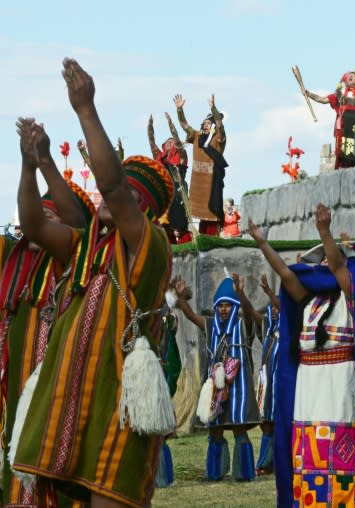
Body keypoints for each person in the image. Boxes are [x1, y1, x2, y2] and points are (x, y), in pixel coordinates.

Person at [12, 58, 175, 508]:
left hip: (115, 404)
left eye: (130, 197)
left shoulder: (151, 243)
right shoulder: (87, 247)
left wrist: (85, 109)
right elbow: (32, 224)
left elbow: (114, 184)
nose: (110, 198)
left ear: (145, 207)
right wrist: (34, 165)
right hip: (70, 405)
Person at [249, 203, 355, 508]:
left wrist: (324, 231)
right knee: (307, 445)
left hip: (339, 380)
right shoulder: (309, 299)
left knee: (338, 442)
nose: (320, 265)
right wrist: (262, 242)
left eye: (325, 258)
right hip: (309, 382)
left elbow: (337, 268)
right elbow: (285, 272)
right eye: (319, 259)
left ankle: (342, 501)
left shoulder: (351, 293)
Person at [1, 120, 94, 507]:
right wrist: (27, 166)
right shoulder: (11, 259)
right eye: (38, 215)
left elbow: (67, 223)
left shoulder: (73, 261)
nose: (41, 224)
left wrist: (39, 162)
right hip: (14, 403)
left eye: (51, 218)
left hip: (62, 404)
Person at [172, 271, 259, 481]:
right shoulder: (211, 326)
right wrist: (181, 297)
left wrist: (242, 295)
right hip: (215, 387)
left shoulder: (242, 325)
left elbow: (248, 314)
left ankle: (243, 473)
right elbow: (192, 316)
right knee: (215, 431)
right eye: (220, 305)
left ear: (234, 306)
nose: (223, 309)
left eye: (227, 305)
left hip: (238, 387)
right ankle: (215, 471)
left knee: (239, 429)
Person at [305, 71, 355, 169]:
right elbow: (322, 99)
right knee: (344, 156)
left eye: (353, 75)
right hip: (345, 132)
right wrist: (309, 94)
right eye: (348, 75)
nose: (350, 76)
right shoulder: (340, 94)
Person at [174, 92, 228, 234]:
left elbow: (221, 126)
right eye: (205, 122)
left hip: (211, 185)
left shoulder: (218, 139)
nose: (206, 124)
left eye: (210, 122)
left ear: (213, 126)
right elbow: (184, 125)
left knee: (212, 219)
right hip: (197, 185)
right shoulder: (197, 136)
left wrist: (213, 108)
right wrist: (180, 110)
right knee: (201, 224)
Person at [148, 112, 192, 237]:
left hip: (178, 195)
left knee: (180, 227)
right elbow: (151, 141)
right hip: (162, 195)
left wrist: (170, 123)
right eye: (167, 141)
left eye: (172, 142)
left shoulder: (181, 156)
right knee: (163, 228)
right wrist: (150, 125)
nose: (170, 143)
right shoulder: (158, 156)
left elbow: (177, 139)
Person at [254, 275, 280, 477]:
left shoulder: (289, 335)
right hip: (267, 385)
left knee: (281, 423)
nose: (274, 313)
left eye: (278, 309)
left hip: (283, 386)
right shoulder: (268, 335)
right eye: (272, 309)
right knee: (267, 424)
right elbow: (254, 316)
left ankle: (281, 462)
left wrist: (270, 293)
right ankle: (265, 461)